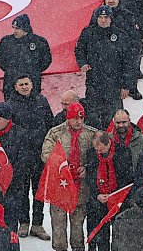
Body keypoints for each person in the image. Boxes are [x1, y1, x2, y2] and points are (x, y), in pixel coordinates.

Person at [42, 103, 95, 251]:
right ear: (68, 118)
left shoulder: (91, 134)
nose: (78, 121)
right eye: (74, 118)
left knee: (78, 228)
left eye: (81, 118)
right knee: (58, 227)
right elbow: (45, 154)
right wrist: (60, 165)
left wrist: (87, 168)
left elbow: (99, 157)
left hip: (80, 188)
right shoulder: (55, 133)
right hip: (60, 187)